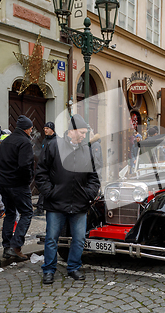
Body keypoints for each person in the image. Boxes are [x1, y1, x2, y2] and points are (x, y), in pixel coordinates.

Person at [36, 114, 100, 284]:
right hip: (56, 203)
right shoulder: (53, 146)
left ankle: (73, 267)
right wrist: (50, 192)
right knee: (51, 239)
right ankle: (48, 270)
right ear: (72, 131)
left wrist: (89, 194)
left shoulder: (87, 149)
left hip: (79, 204)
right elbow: (41, 172)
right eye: (82, 132)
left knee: (79, 239)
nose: (85, 135)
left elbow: (94, 177)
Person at [0, 115, 35, 260]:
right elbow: (25, 165)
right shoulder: (24, 142)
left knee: (10, 213)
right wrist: (28, 180)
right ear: (28, 128)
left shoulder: (6, 141)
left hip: (4, 184)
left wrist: (1, 178)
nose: (31, 131)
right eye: (31, 129)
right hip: (18, 185)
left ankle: (7, 247)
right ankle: (15, 246)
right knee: (27, 213)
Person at [34, 122, 57, 216]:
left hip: (52, 169)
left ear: (52, 129)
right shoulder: (45, 140)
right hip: (44, 168)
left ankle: (41, 207)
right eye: (44, 129)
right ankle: (40, 206)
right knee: (43, 188)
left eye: (47, 128)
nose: (45, 130)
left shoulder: (56, 141)